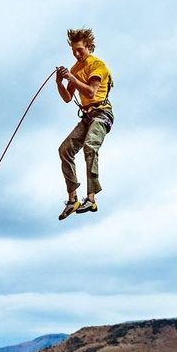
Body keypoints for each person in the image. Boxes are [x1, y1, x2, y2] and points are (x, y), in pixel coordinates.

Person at [56, 28, 114, 220]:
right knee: (64, 150)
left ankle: (91, 198)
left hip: (102, 113)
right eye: (74, 51)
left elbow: (90, 92)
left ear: (89, 46)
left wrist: (72, 79)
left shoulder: (98, 66)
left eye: (80, 50)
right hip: (88, 117)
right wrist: (59, 83)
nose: (77, 54)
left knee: (90, 146)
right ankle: (72, 200)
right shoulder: (75, 69)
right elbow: (67, 98)